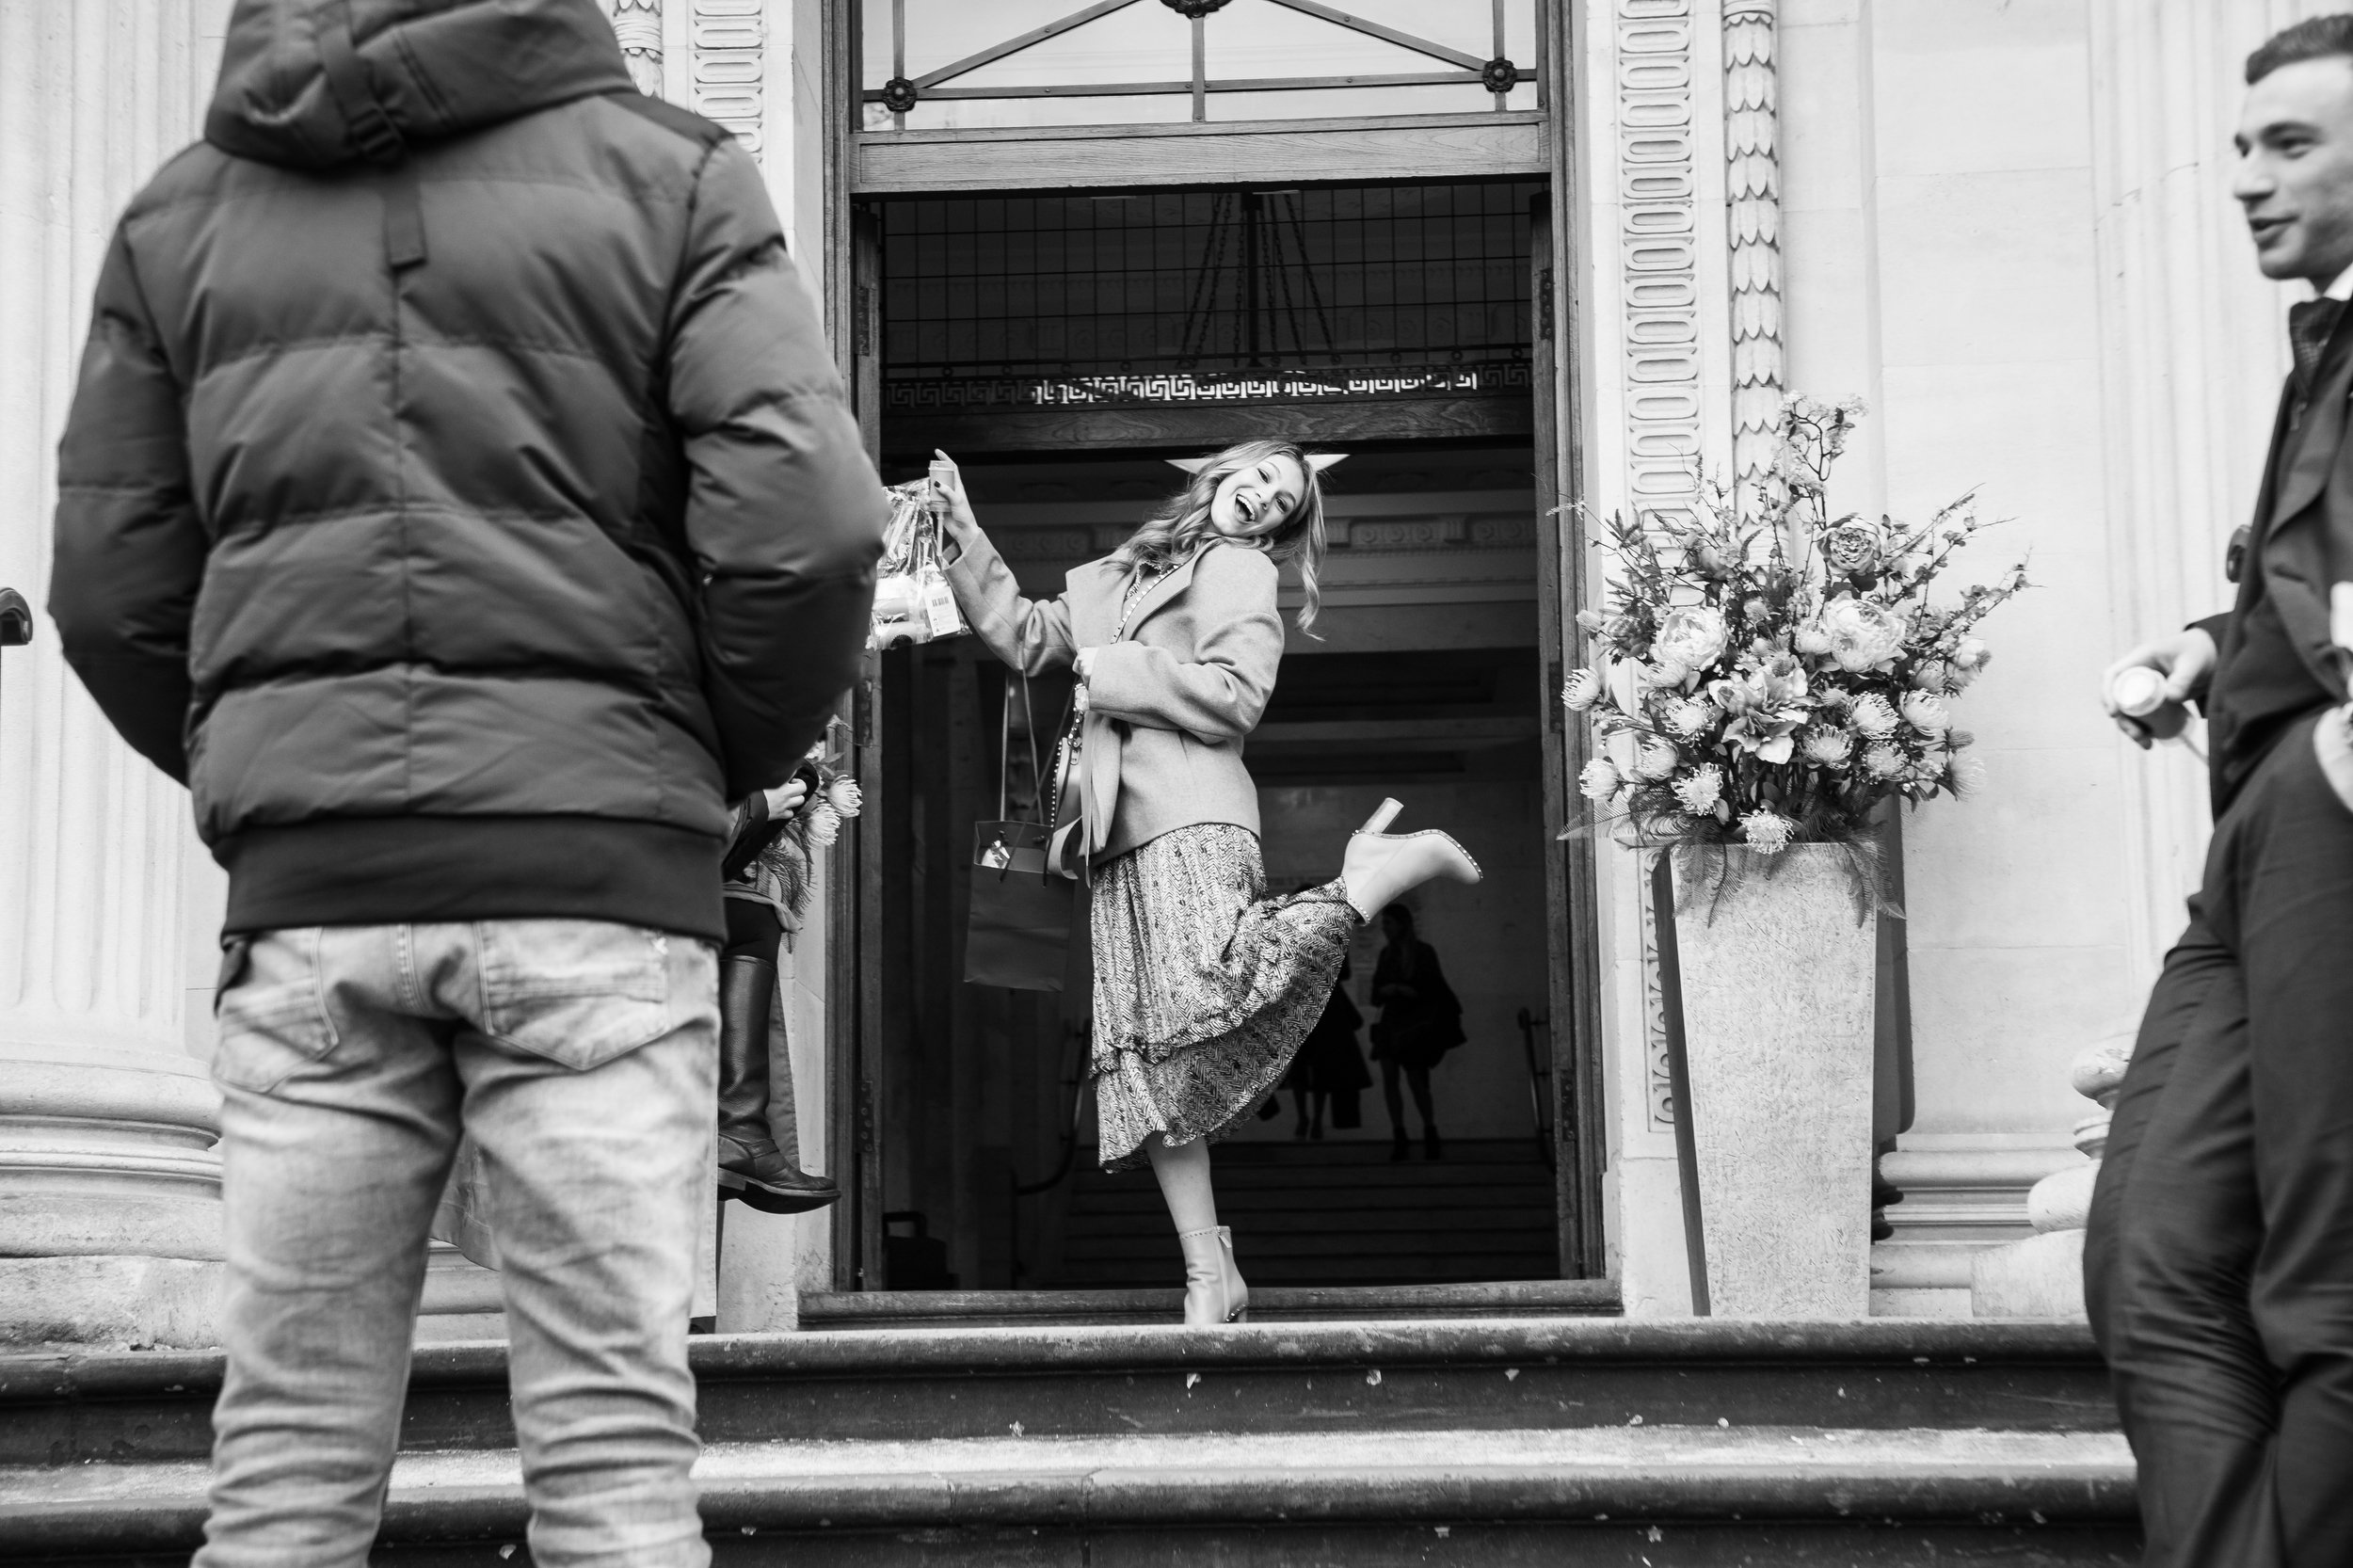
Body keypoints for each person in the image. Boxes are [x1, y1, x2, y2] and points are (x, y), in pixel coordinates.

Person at [45, 3, 885, 1563]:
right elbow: (812, 532)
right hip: (600, 892)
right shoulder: (675, 173)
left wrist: (278, 778)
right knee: (617, 1466)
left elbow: (107, 591)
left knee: (287, 1463)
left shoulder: (182, 212)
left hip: (316, 911)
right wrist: (706, 764)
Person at [933, 441, 1482, 1325]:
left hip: (1191, 814)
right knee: (1144, 1065)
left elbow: (1237, 694)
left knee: (1216, 982)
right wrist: (960, 524)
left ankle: (1362, 886)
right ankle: (1206, 1272)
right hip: (1112, 839)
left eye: (1283, 502)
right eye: (1259, 478)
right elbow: (1026, 636)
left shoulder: (1236, 567)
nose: (1264, 500)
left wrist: (1110, 672)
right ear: (1220, 474)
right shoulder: (1131, 569)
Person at [2086, 17, 2353, 1565]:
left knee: (2326, 1284)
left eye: (2290, 145)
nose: (2243, 181)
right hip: (2254, 823)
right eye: (2241, 148)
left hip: (2333, 805)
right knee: (2151, 1253)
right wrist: (2210, 643)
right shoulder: (2321, 338)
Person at [1369, 904, 1465, 1161]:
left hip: (1414, 1026)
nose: (1385, 929)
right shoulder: (1387, 955)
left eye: (1388, 923)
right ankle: (1400, 1134)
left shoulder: (1422, 953)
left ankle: (1429, 1131)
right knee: (1391, 1078)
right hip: (1393, 1022)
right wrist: (1391, 990)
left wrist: (1405, 991)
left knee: (1416, 1080)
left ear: (1402, 925)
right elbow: (1375, 993)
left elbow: (1434, 989)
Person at [1285, 957, 1372, 1139]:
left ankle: (1310, 1119)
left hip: (1319, 1006)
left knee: (1316, 1067)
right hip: (1315, 1004)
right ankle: (1309, 1118)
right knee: (1306, 1068)